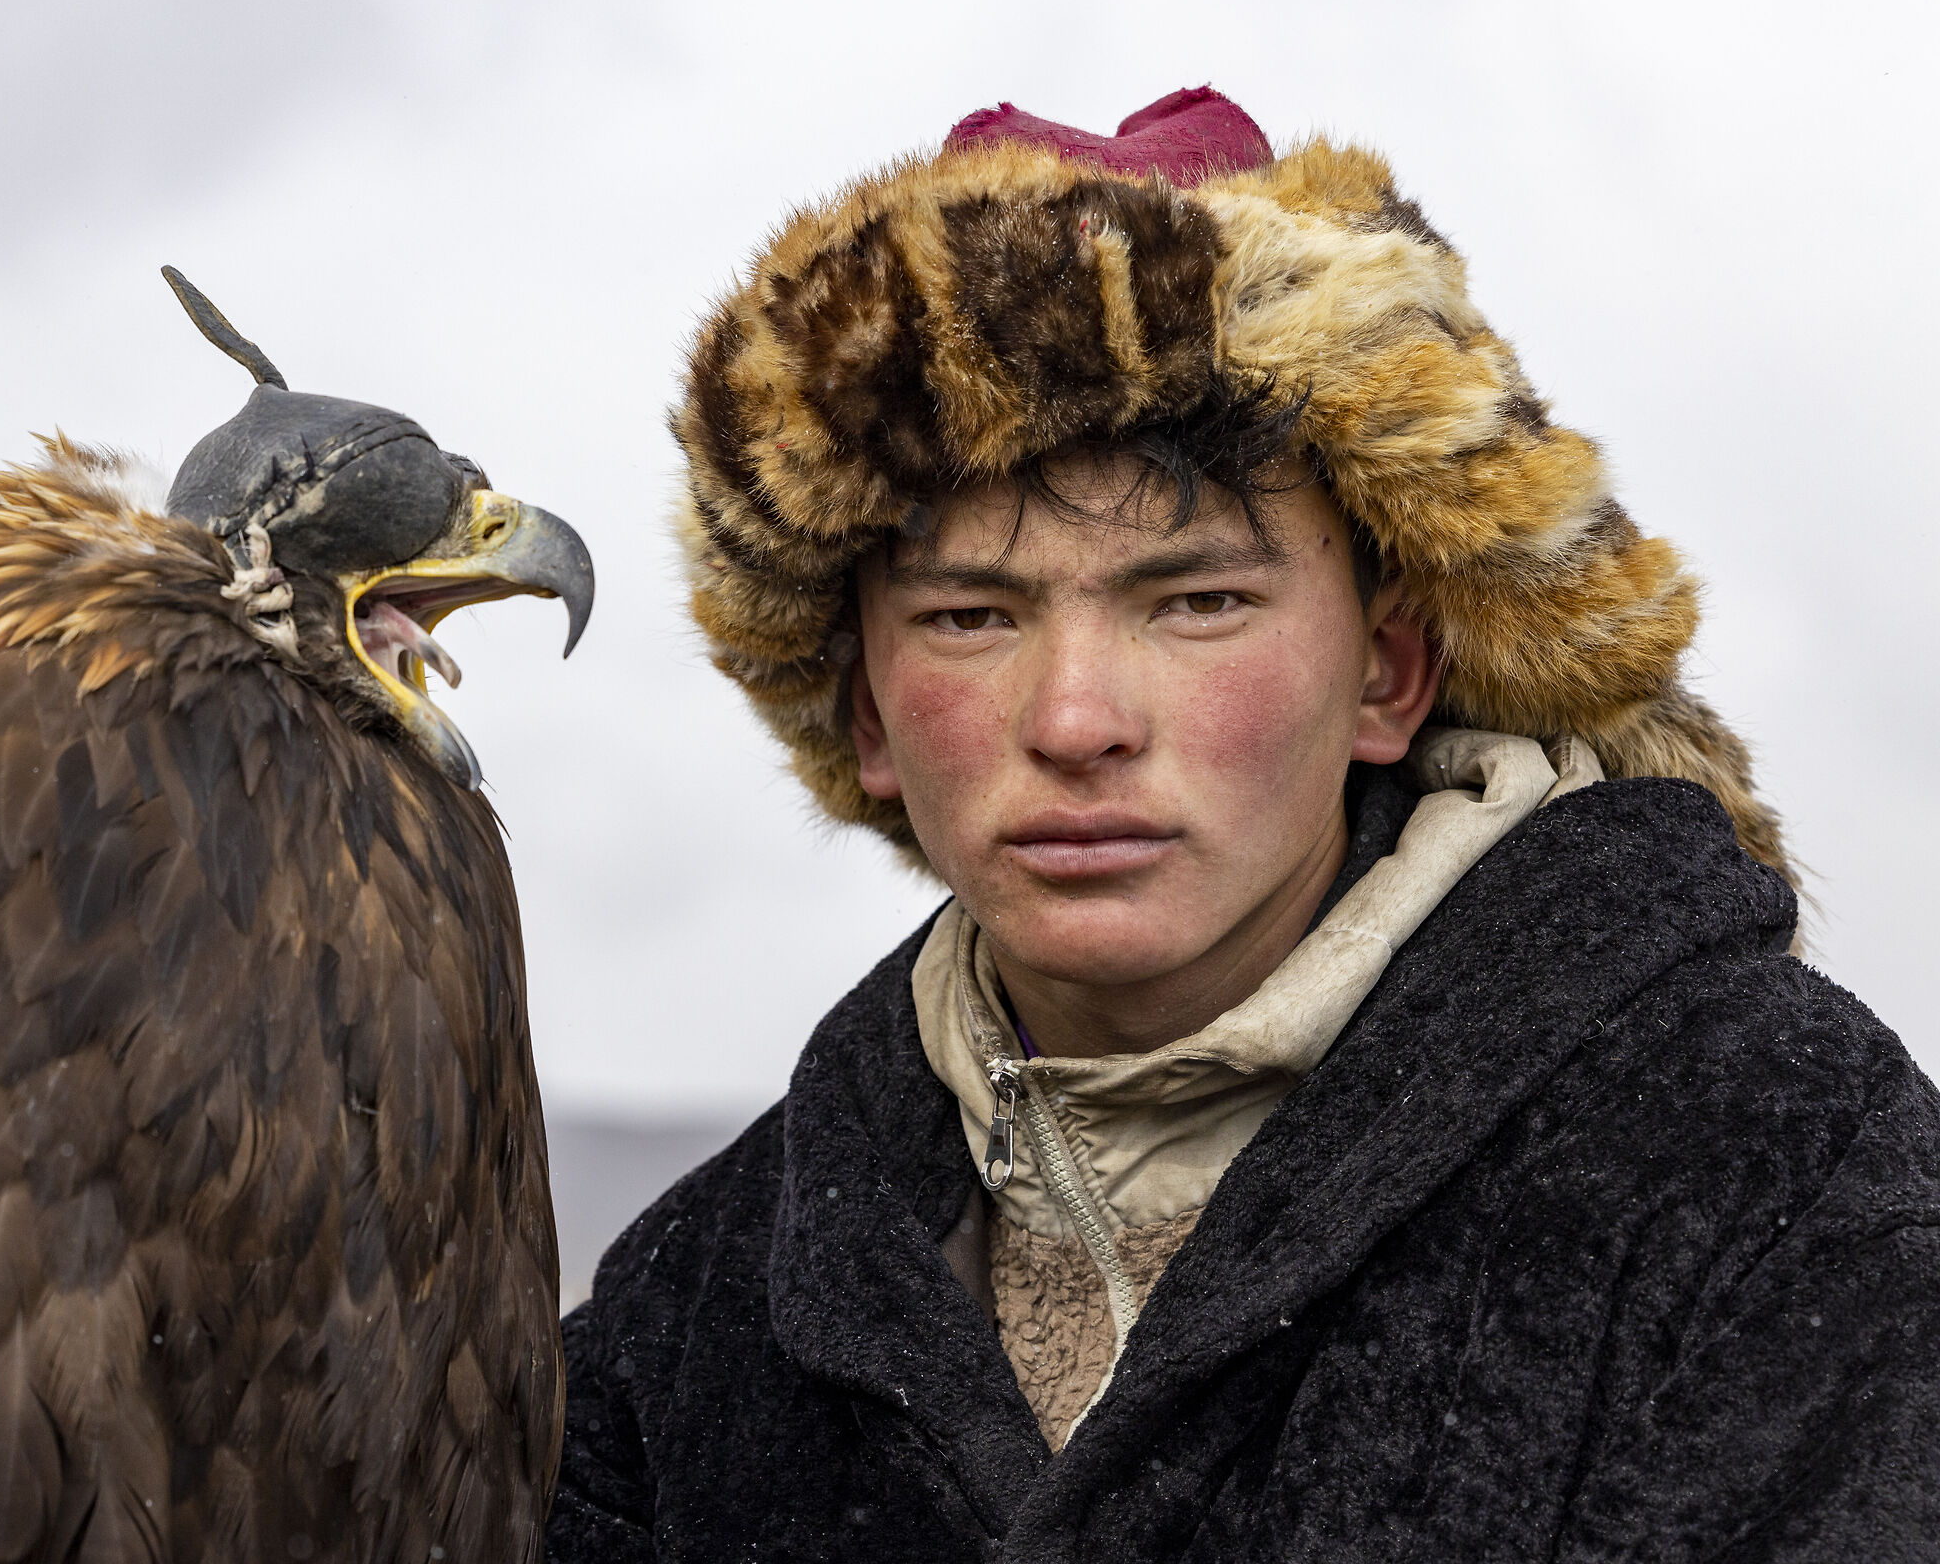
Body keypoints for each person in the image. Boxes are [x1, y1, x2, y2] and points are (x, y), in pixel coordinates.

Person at [547, 88, 1940, 1560]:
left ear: (1389, 676)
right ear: (869, 717)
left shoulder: (1769, 1168)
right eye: (969, 615)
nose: (1077, 719)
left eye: (1198, 602)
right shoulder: (688, 1315)